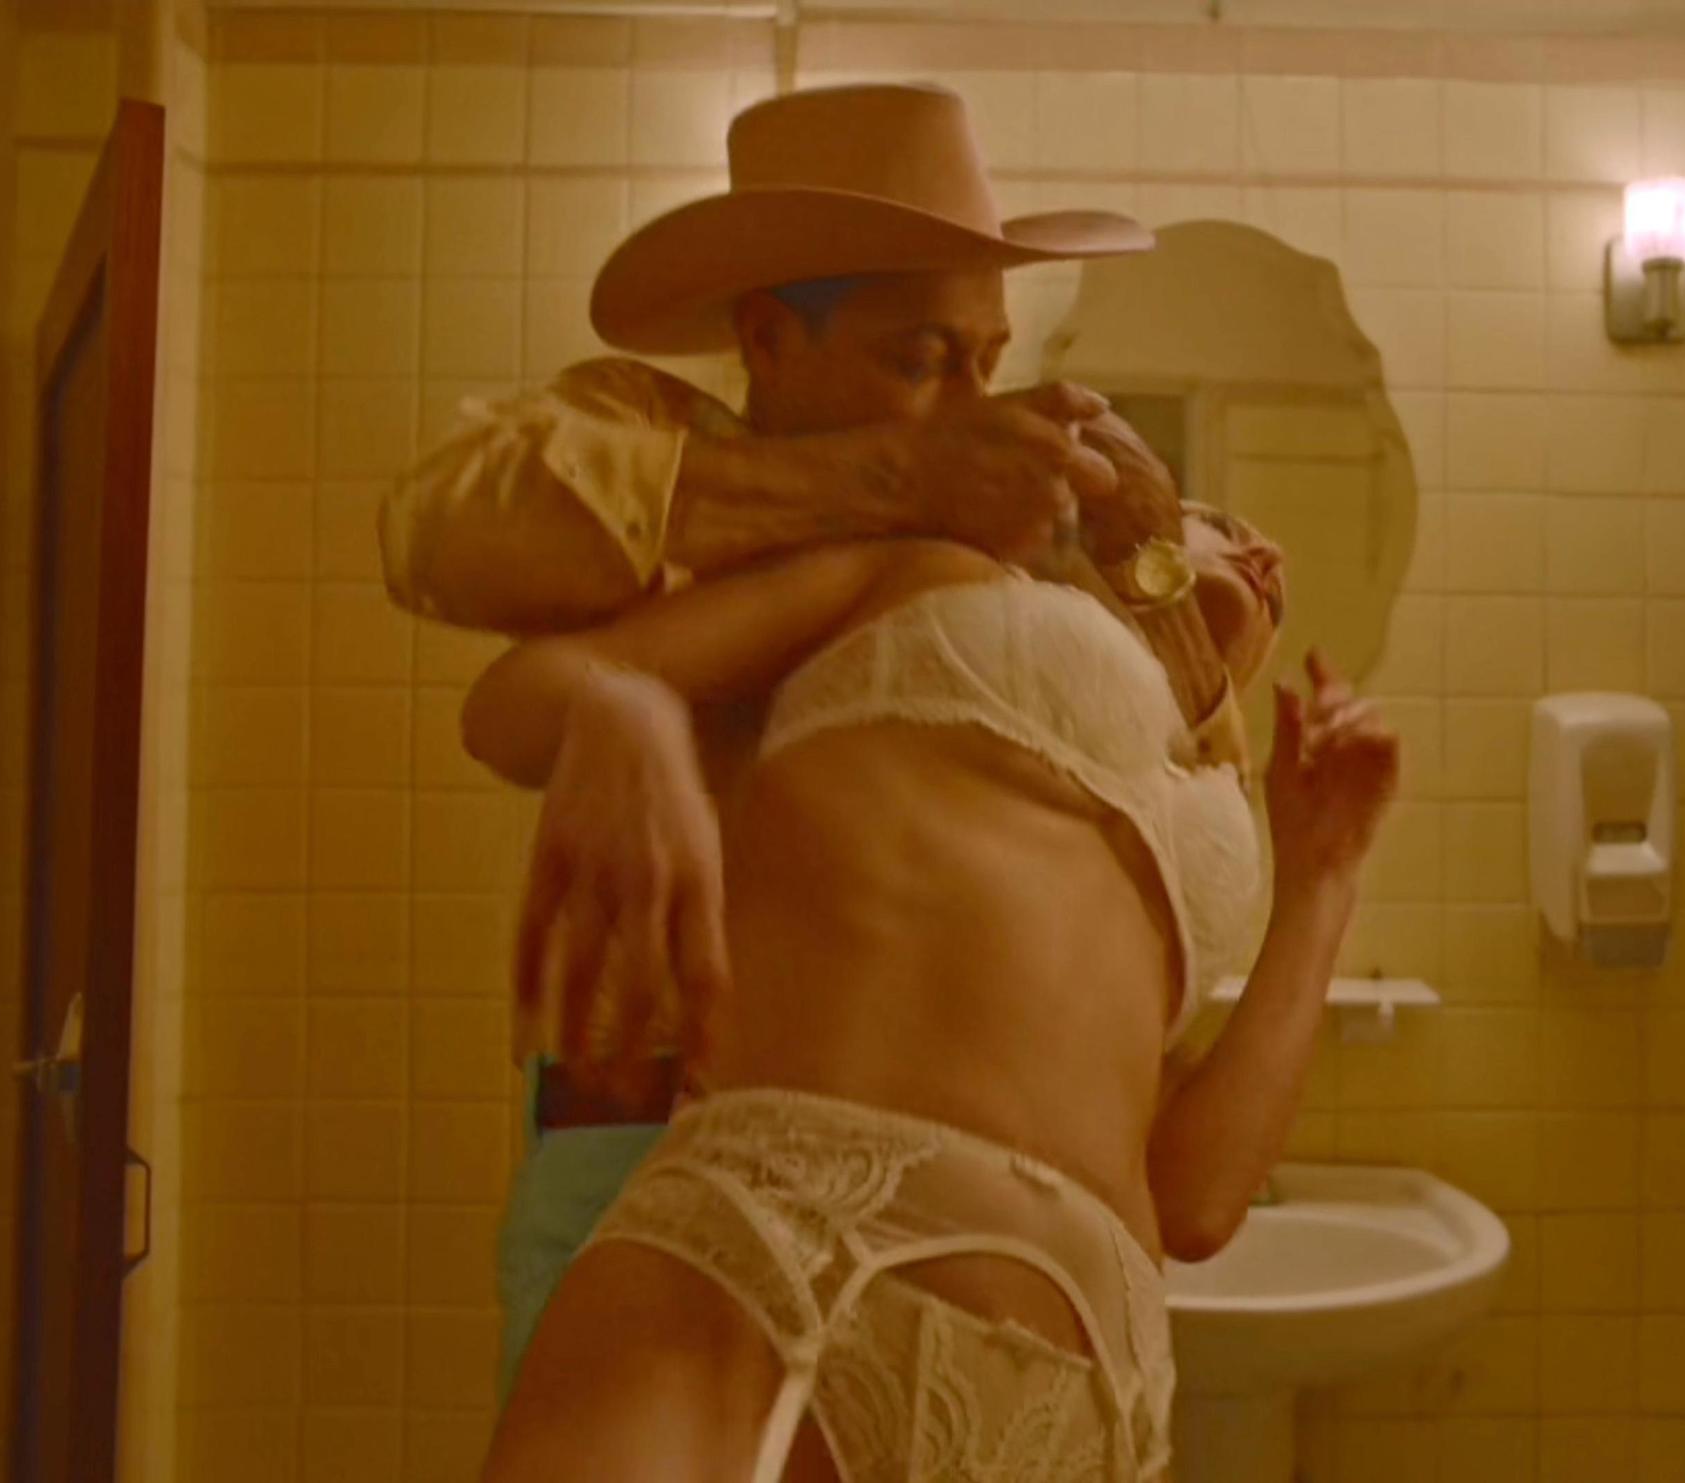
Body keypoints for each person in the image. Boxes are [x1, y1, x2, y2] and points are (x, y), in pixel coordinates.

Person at [381, 81, 1255, 1398]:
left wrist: (1155, 582)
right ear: (768, 338)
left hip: (923, 1206)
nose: (965, 401)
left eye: (985, 359)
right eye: (919, 358)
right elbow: (439, 537)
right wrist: (891, 491)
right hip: (644, 1143)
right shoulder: (651, 441)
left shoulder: (983, 548)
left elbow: (1142, 830)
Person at [459, 499, 1394, 1481]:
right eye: (1220, 521)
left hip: (1072, 1374)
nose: (1266, 550)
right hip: (782, 1237)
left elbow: (1195, 1200)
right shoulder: (928, 571)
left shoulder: (1197, 800)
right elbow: (515, 702)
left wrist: (1322, 878)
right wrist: (629, 710)